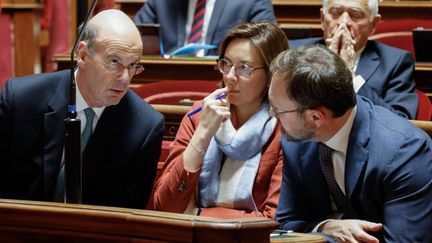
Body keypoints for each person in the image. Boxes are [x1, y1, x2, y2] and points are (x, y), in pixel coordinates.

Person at [0, 9, 164, 209]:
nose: (125, 78)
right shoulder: (21, 100)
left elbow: (126, 216)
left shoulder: (145, 127)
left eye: (132, 66)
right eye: (114, 62)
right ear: (83, 54)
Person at [269, 45, 432, 242]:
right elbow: (285, 224)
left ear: (316, 117)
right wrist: (326, 227)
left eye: (278, 111)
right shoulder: (297, 142)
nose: (273, 116)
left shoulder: (405, 152)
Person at [149, 23, 288, 218]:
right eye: (226, 64)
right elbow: (164, 207)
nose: (230, 76)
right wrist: (202, 136)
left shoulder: (286, 127)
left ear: (271, 74)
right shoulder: (199, 116)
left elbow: (273, 220)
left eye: (244, 68)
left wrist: (199, 214)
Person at [289, 0, 418, 119]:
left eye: (355, 15)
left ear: (373, 24)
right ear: (323, 19)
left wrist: (349, 75)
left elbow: (400, 120)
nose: (344, 22)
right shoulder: (294, 52)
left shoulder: (396, 61)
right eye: (335, 13)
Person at [133, 0, 276, 56]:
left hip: (222, 80)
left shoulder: (251, 2)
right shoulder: (162, 2)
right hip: (167, 76)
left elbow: (269, 45)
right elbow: (132, 38)